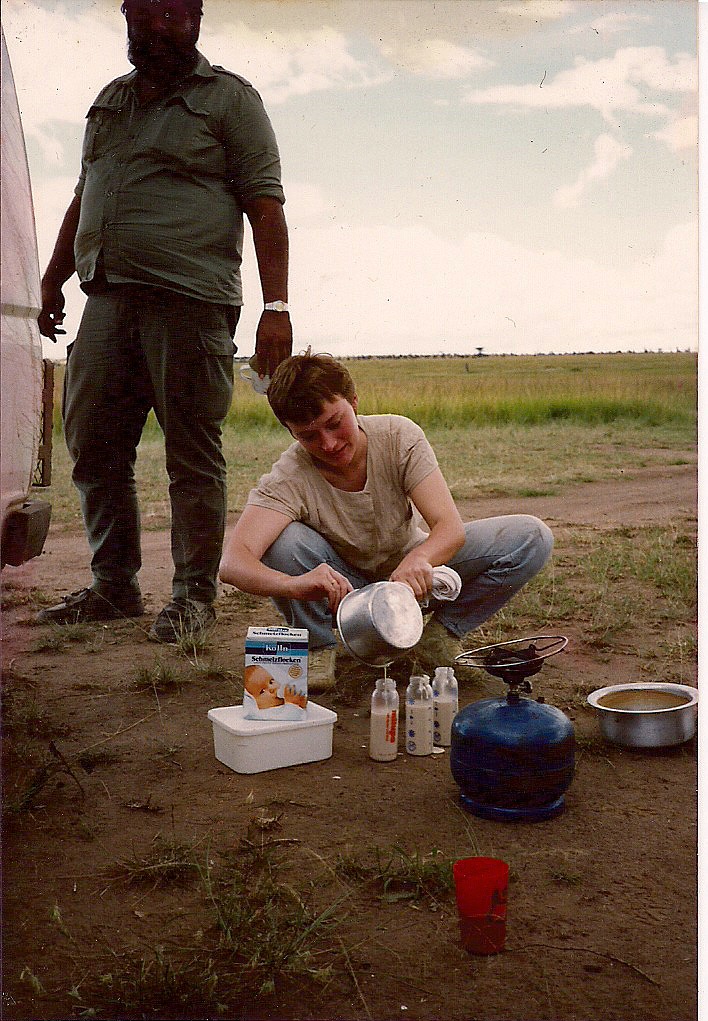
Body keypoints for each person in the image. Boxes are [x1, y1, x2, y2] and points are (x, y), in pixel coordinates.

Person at [36, 0, 292, 642]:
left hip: (191, 301)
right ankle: (113, 587)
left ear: (197, 18)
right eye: (144, 13)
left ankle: (192, 598)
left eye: (174, 13)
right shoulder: (108, 101)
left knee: (191, 451)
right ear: (126, 15)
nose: (158, 26)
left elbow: (265, 205)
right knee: (92, 442)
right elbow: (84, 193)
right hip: (107, 300)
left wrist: (277, 308)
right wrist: (50, 279)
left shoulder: (230, 100)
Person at [219, 352, 554, 690]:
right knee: (283, 541)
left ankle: (439, 636)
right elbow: (233, 564)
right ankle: (318, 645)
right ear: (291, 433)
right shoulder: (288, 476)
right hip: (345, 593)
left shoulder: (397, 435)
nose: (329, 443)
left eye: (335, 423)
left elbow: (448, 527)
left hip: (413, 581)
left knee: (532, 536)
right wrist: (296, 585)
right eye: (309, 436)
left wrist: (419, 559)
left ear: (354, 400)